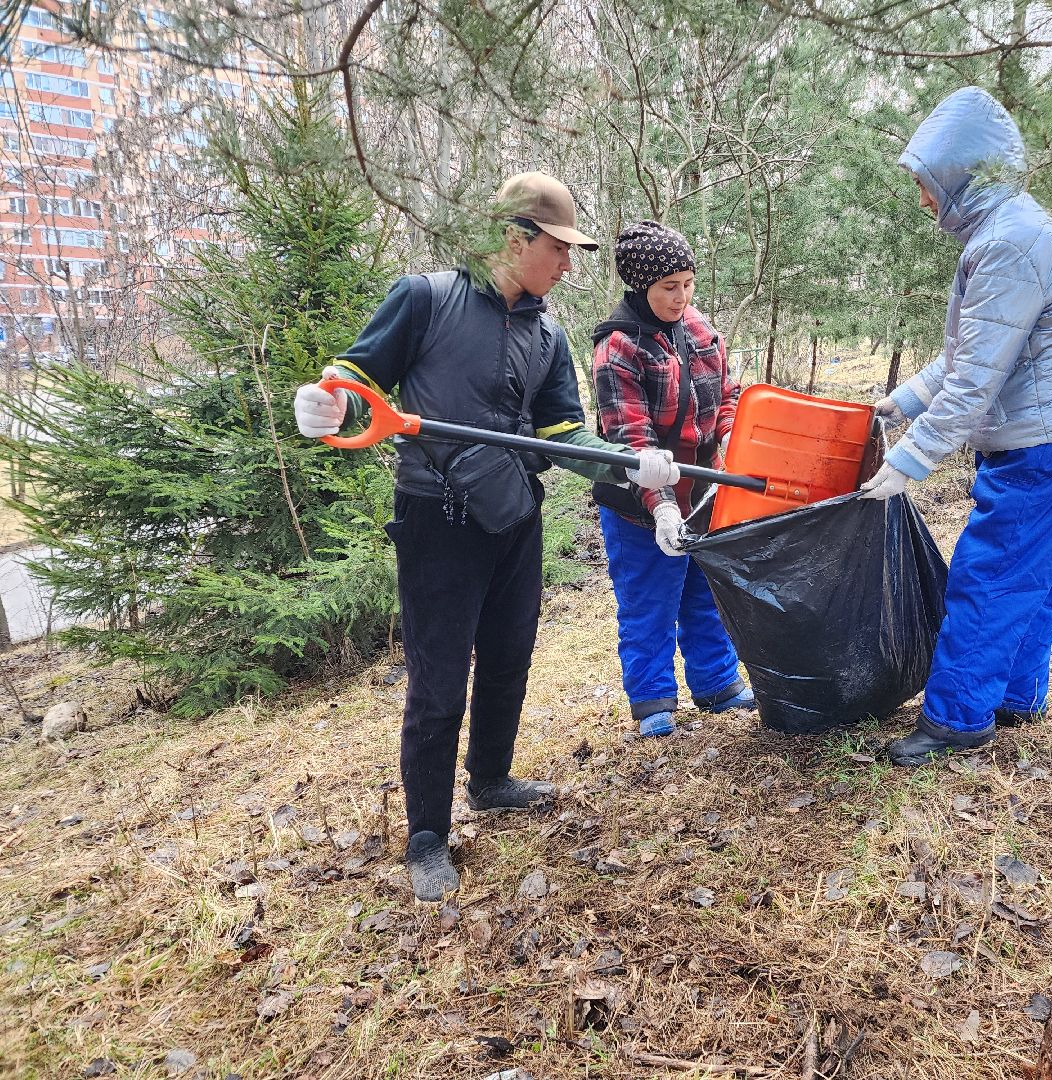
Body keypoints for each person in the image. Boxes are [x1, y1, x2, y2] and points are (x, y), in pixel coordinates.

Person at [292, 173, 680, 900]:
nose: (568, 264)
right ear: (515, 238)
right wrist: (322, 402)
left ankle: (493, 778)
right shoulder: (426, 299)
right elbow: (352, 376)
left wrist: (630, 463)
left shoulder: (547, 331)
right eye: (559, 248)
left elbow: (565, 432)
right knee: (439, 681)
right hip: (437, 520)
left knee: (510, 654)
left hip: (514, 516)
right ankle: (427, 835)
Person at [858, 87, 1052, 766]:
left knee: (992, 572)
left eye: (925, 184)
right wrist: (903, 403)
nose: (922, 201)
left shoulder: (1008, 243)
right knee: (1037, 570)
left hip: (1045, 438)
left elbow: (976, 380)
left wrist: (909, 461)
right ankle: (1015, 694)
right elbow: (965, 355)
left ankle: (955, 721)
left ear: (957, 175)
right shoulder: (1007, 231)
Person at [590, 220, 755, 738]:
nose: (681, 296)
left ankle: (717, 684)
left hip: (701, 490)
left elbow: (726, 394)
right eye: (668, 287)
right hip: (638, 502)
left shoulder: (702, 330)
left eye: (687, 283)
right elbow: (630, 434)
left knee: (704, 592)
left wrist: (732, 438)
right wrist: (659, 501)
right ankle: (653, 701)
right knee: (649, 601)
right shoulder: (618, 347)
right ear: (641, 287)